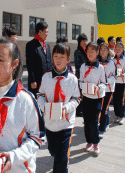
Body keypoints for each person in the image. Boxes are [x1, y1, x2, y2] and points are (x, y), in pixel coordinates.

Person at [0, 38, 45, 173]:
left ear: (14, 64)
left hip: (18, 169)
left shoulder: (25, 99)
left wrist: (14, 157)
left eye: (1, 60)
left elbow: (37, 136)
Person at [38, 43, 81, 173]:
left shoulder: (72, 79)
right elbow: (40, 95)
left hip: (66, 123)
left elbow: (77, 98)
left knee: (61, 158)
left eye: (62, 56)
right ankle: (60, 159)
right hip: (50, 123)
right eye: (55, 56)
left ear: (68, 59)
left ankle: (62, 166)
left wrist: (66, 108)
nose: (58, 59)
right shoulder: (46, 77)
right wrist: (44, 107)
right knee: (52, 150)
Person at [79, 42, 106, 155]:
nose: (89, 54)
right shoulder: (83, 66)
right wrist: (84, 86)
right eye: (88, 51)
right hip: (86, 98)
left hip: (96, 98)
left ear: (97, 53)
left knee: (94, 122)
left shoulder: (100, 68)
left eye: (92, 51)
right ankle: (89, 141)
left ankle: (96, 143)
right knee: (86, 121)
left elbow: (104, 83)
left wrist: (98, 87)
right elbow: (80, 81)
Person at [26, 22, 52, 98]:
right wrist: (32, 80)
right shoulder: (31, 45)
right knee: (36, 100)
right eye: (46, 32)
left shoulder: (47, 45)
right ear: (40, 32)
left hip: (46, 80)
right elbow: (29, 64)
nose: (47, 34)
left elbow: (49, 62)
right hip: (36, 81)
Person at [98, 43, 116, 138]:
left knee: (104, 107)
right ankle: (106, 122)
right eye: (101, 49)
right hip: (99, 89)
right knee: (102, 107)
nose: (103, 51)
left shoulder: (112, 63)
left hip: (108, 89)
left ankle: (102, 128)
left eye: (105, 49)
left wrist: (105, 81)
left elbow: (114, 76)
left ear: (108, 51)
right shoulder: (97, 62)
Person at [112, 42, 125, 125]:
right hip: (114, 82)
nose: (117, 50)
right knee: (115, 99)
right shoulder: (112, 59)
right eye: (116, 48)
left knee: (121, 99)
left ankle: (122, 116)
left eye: (119, 49)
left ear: (122, 50)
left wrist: (124, 74)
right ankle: (117, 115)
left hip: (122, 81)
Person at [74, 33, 88, 116]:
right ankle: (78, 110)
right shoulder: (78, 52)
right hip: (80, 75)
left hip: (87, 74)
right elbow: (77, 65)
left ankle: (82, 109)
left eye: (86, 41)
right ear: (79, 42)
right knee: (79, 93)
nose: (85, 43)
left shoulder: (86, 50)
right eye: (83, 41)